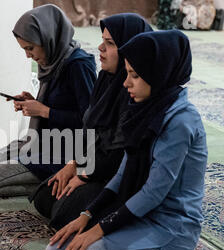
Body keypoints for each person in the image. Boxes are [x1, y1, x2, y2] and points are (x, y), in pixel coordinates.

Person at [45, 30, 208, 250]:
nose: (125, 84)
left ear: (158, 74)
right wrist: (86, 216)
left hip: (170, 229)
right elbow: (121, 174)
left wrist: (99, 229)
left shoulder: (180, 121)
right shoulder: (144, 109)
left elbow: (154, 192)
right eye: (127, 73)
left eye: (134, 75)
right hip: (139, 217)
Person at [30, 13, 153, 231]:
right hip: (91, 162)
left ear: (129, 47)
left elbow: (120, 153)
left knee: (62, 213)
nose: (100, 48)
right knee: (43, 198)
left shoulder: (136, 90)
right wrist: (73, 165)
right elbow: (88, 131)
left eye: (110, 43)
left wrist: (85, 175)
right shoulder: (105, 79)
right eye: (102, 41)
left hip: (116, 176)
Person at [0, 4, 97, 197]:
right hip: (40, 141)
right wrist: (34, 102)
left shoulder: (78, 65)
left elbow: (91, 121)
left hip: (64, 150)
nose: (28, 55)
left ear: (48, 38)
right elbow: (61, 101)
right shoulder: (53, 60)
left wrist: (44, 111)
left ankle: (64, 180)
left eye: (30, 48)